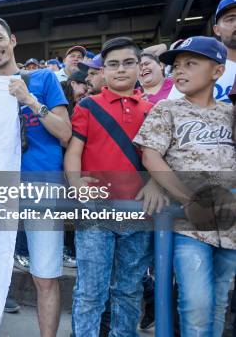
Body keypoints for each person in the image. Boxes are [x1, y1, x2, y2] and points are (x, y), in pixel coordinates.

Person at [0, 16, 71, 335]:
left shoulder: (43, 80)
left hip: (41, 186)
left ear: (13, 40)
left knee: (45, 275)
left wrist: (30, 101)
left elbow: (64, 132)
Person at [135, 36, 235, 336]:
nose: (179, 71)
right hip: (188, 221)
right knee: (196, 304)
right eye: (176, 66)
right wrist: (188, 199)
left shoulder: (229, 113)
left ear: (217, 71)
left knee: (218, 303)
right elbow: (151, 154)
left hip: (229, 223)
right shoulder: (167, 108)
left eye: (191, 64)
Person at [65, 37, 157, 336]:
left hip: (138, 213)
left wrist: (156, 184)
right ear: (103, 70)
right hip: (95, 213)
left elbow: (159, 157)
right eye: (113, 64)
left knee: (128, 291)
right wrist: (77, 184)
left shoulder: (152, 110)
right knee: (90, 292)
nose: (121, 70)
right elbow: (74, 152)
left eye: (128, 63)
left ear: (139, 68)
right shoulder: (88, 106)